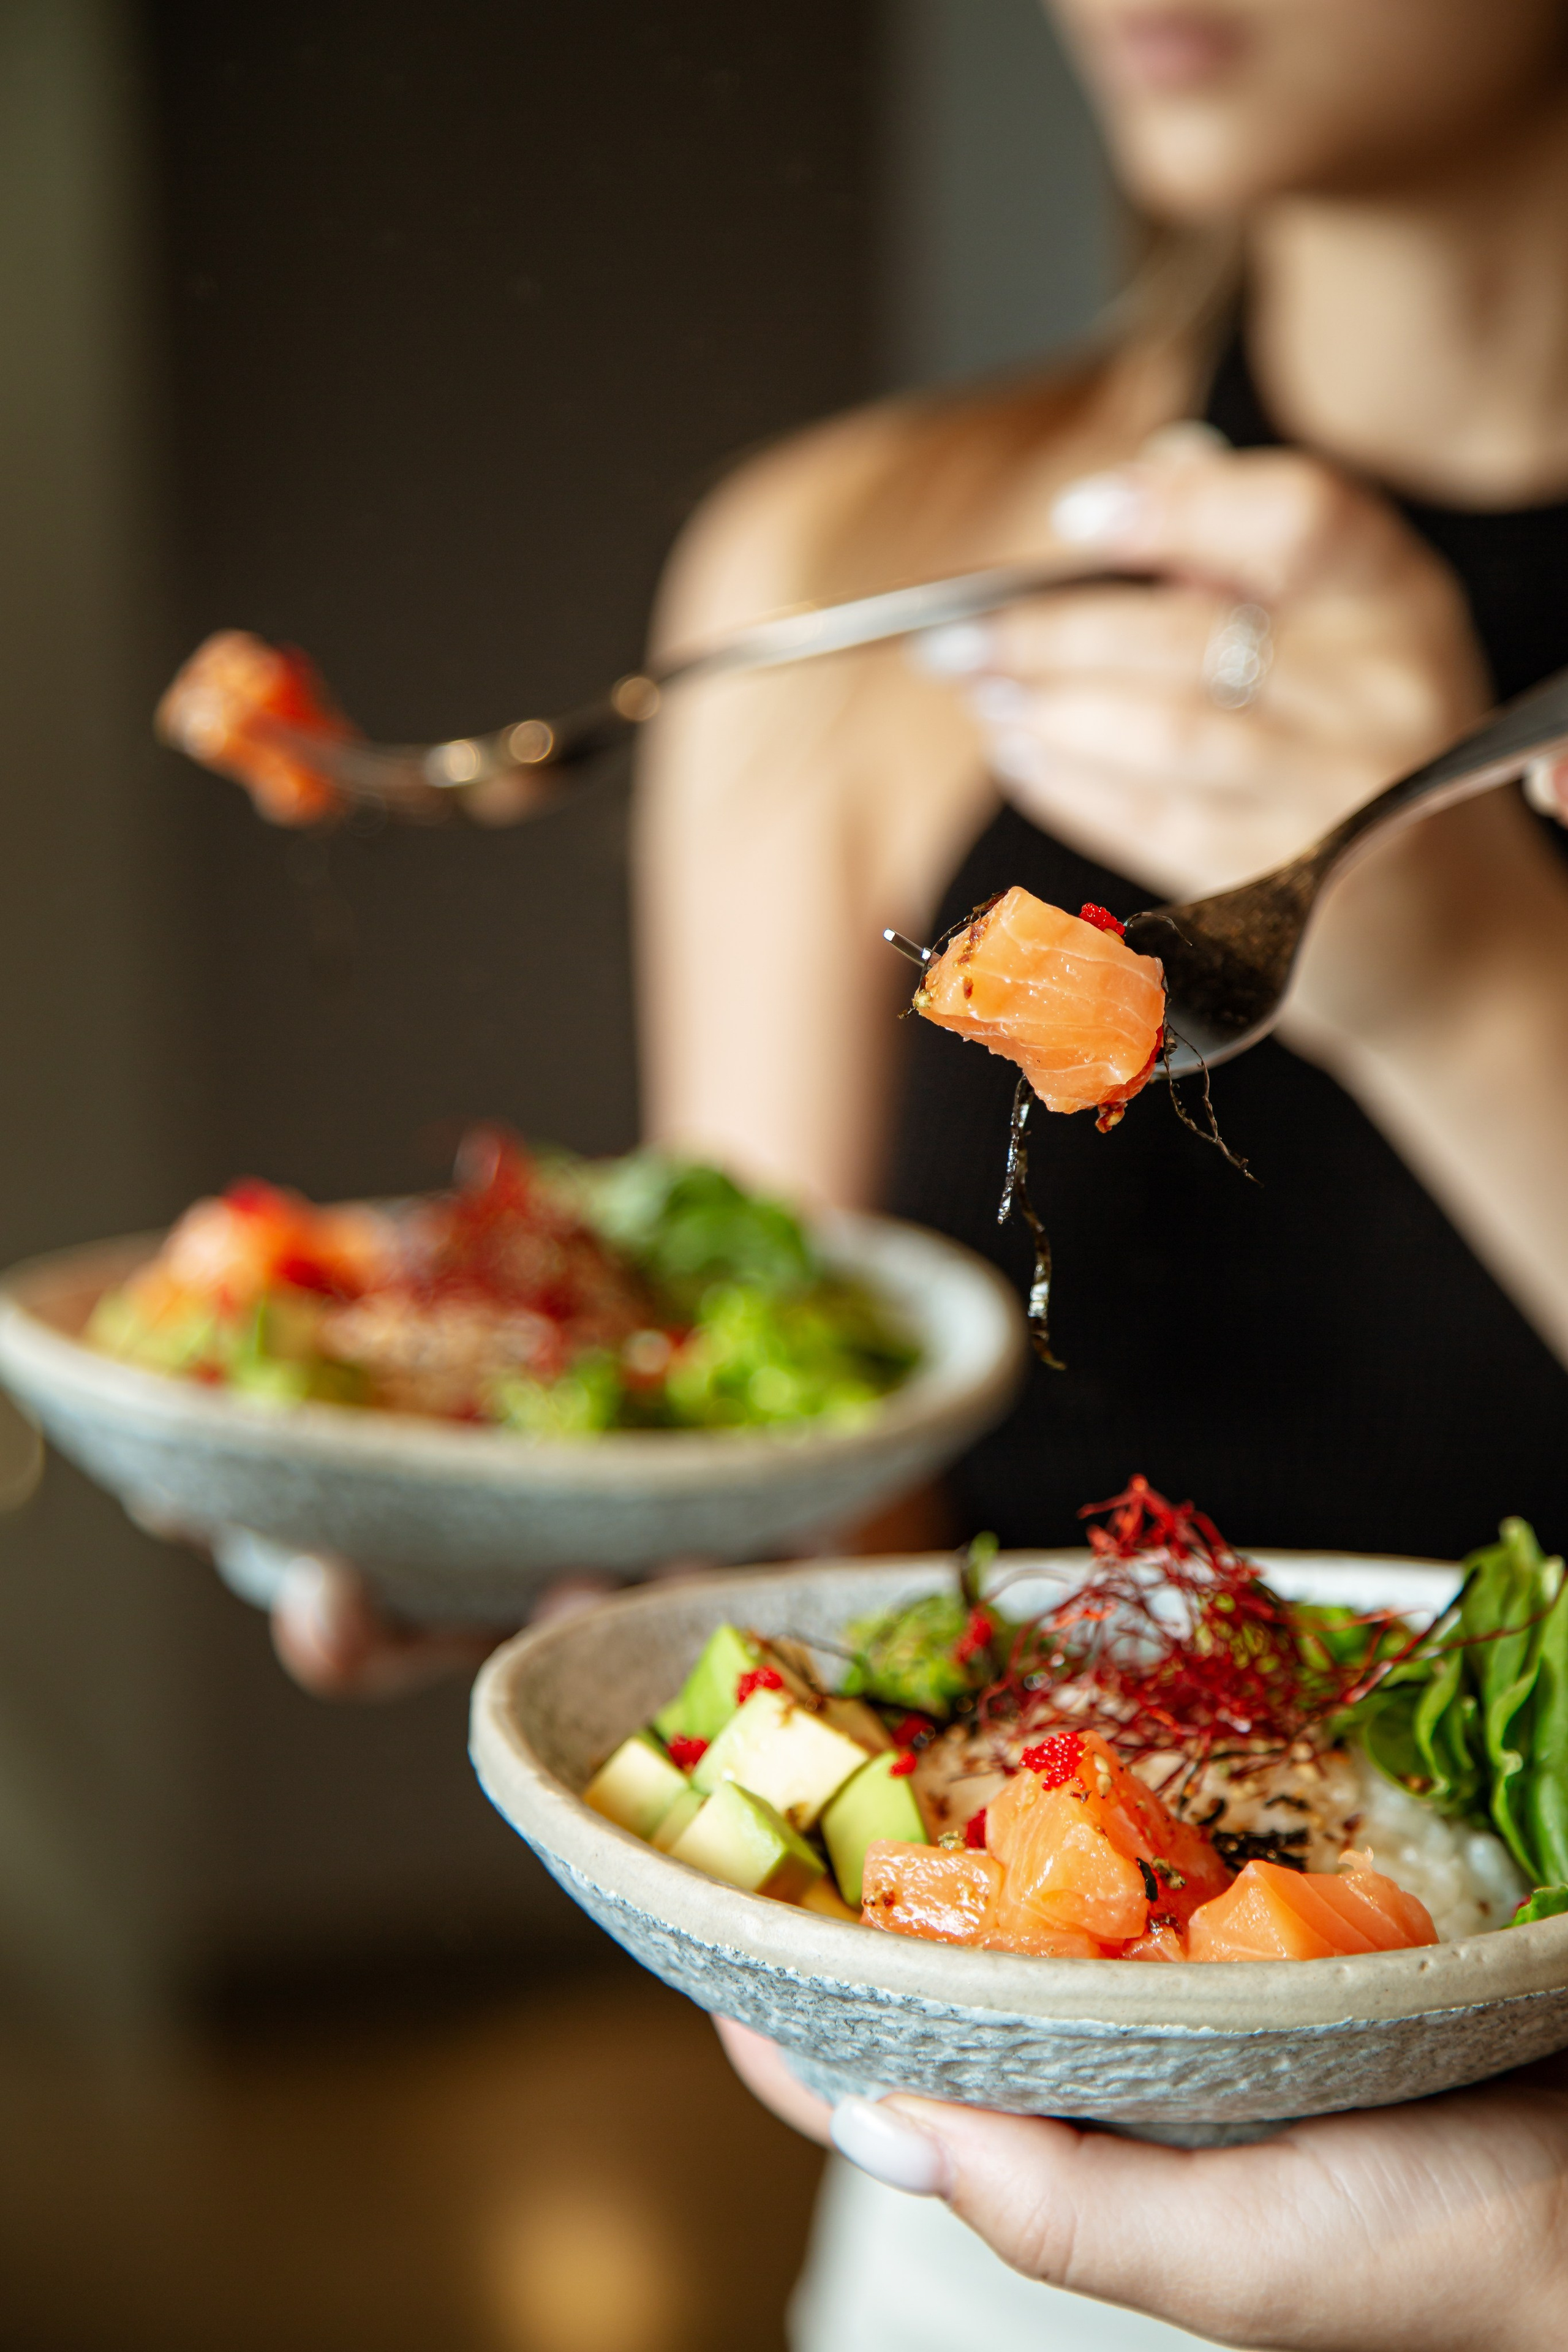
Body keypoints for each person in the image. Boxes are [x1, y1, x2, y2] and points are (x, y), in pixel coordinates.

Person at [263, 0, 1568, 2342]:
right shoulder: (851, 577)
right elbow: (812, 1497)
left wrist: (1471, 986)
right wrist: (531, 1516)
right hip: (997, 2171)